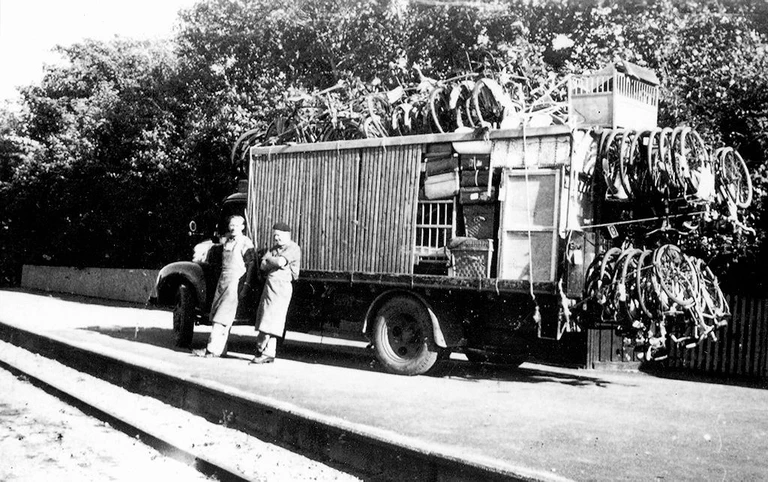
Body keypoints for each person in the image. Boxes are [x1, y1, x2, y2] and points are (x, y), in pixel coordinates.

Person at [193, 215, 254, 358]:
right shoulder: (227, 241)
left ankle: (211, 350)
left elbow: (251, 265)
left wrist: (245, 285)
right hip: (223, 280)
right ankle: (221, 349)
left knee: (222, 316)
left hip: (234, 281)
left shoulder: (246, 243)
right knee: (217, 313)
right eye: (231, 225)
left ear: (243, 227)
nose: (233, 228)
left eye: (237, 225)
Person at [250, 222, 301, 364]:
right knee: (267, 318)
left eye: (278, 235)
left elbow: (280, 262)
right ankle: (268, 353)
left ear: (287, 235)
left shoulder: (293, 248)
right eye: (275, 236)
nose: (276, 238)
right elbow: (262, 265)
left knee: (272, 320)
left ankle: (262, 349)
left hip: (281, 288)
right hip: (270, 287)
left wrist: (269, 260)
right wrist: (271, 261)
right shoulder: (274, 248)